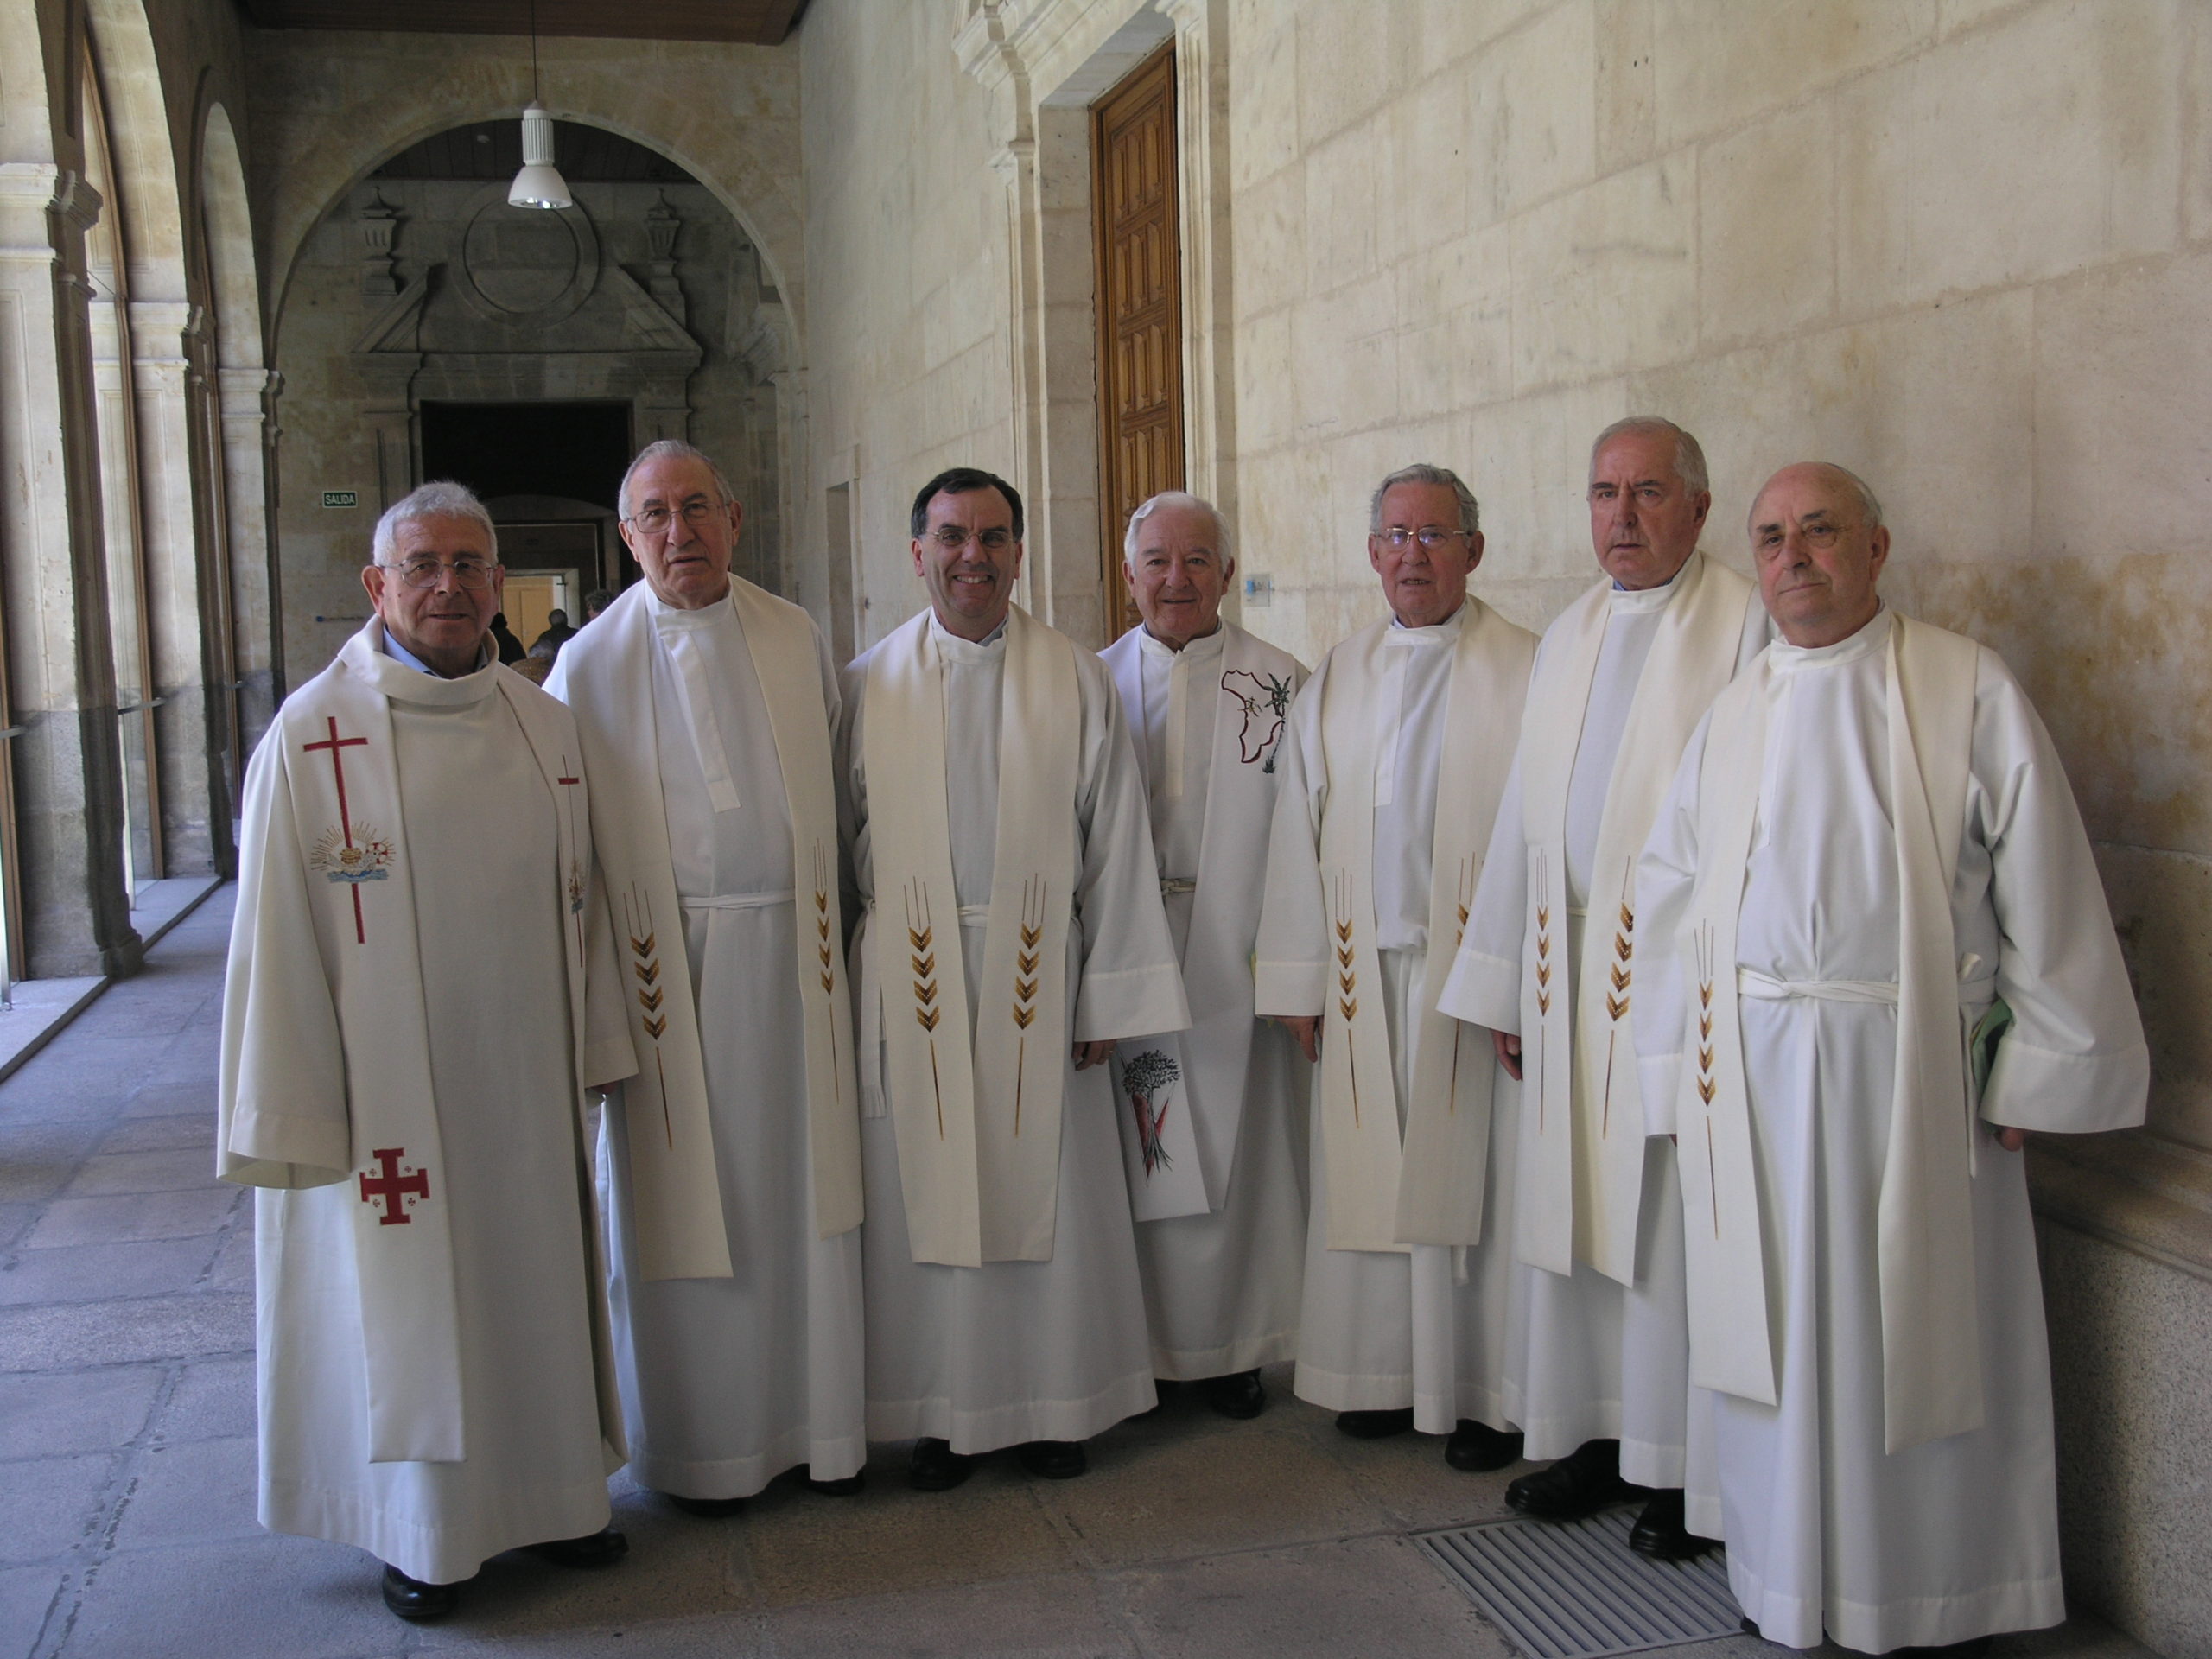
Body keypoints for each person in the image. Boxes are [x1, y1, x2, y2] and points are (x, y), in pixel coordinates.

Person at [1634, 463, 2148, 1652]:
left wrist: (2040, 1067)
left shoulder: (1966, 686)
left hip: (1910, 1075)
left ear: (1876, 548)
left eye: (1820, 531)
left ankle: (1926, 1593)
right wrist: (1672, 1069)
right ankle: (1784, 1580)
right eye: (1771, 536)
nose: (1792, 556)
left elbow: (2046, 882)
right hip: (1753, 1080)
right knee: (1776, 1337)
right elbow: (1668, 897)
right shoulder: (1735, 709)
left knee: (1906, 1344)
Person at [218, 481, 636, 1621]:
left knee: (532, 1290)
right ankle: (424, 1537)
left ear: (500, 585)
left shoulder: (544, 723)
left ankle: (556, 1499)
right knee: (413, 1312)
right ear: (377, 585)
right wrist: (290, 1106)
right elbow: (271, 939)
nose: (447, 585)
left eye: (468, 565)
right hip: (383, 1100)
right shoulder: (314, 737)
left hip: (524, 1082)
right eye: (421, 565)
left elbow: (588, 903)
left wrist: (600, 1041)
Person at [1437, 417, 1768, 1557]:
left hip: (1673, 982)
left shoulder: (1745, 625)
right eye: (1602, 494)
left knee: (1668, 1229)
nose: (1621, 517)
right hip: (1562, 969)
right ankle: (1599, 1437)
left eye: (1648, 493)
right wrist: (1505, 980)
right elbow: (1526, 815)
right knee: (1574, 1216)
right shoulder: (1570, 633)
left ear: (1699, 508)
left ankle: (1685, 1468)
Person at [837, 466, 1190, 1489]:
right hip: (913, 978)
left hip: (1045, 977)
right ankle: (943, 1416)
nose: (972, 558)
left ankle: (1053, 1406)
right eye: (951, 537)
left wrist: (1109, 993)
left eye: (992, 538)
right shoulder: (866, 684)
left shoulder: (1071, 676)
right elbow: (837, 840)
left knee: (1051, 1208)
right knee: (928, 1206)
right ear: (917, 552)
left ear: (1019, 553)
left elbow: (1115, 842)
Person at [546, 441, 866, 1515]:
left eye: (696, 508)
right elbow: (571, 860)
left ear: (733, 518)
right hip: (665, 985)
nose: (678, 531)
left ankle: (817, 1430)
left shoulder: (792, 633)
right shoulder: (586, 666)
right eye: (655, 514)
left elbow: (835, 792)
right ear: (627, 536)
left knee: (802, 1203)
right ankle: (699, 1449)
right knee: (684, 1219)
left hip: (796, 972)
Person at [1254, 464, 1535, 1470]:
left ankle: (1479, 1394)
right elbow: (1297, 828)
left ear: (1474, 551)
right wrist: (1299, 979)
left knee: (1477, 1193)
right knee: (1367, 1184)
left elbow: (1545, 836)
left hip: (1472, 977)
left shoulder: (1528, 668)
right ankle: (1378, 1378)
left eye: (1435, 536)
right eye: (1396, 537)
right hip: (1359, 976)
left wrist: (1521, 983)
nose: (1413, 555)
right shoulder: (1338, 675)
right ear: (1372, 553)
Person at [1099, 491, 1309, 1418]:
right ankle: (1139, 1348)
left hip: (1239, 947)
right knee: (1144, 1145)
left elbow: (1306, 835)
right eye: (1157, 561)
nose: (1175, 580)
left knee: (1238, 1157)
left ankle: (1231, 1351)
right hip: (1132, 946)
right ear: (1129, 574)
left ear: (1227, 572)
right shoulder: (1092, 683)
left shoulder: (1283, 683)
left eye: (1196, 561)